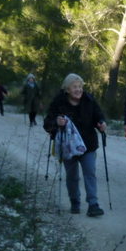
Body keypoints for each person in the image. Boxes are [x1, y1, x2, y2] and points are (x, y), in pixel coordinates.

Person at [43, 74, 107, 217]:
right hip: (68, 147)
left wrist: (101, 123)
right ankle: (75, 202)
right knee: (72, 176)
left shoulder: (89, 100)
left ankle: (93, 204)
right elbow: (47, 123)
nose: (78, 90)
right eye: (75, 87)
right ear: (67, 89)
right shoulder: (58, 103)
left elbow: (99, 115)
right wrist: (56, 122)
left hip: (88, 144)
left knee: (89, 173)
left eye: (80, 87)